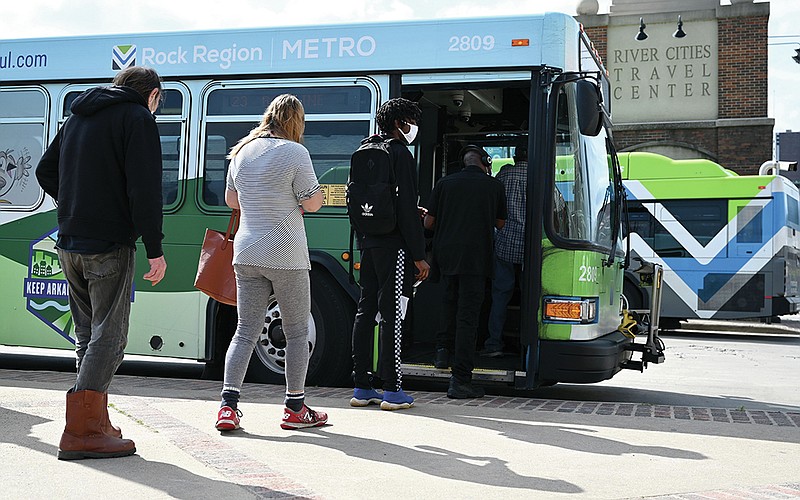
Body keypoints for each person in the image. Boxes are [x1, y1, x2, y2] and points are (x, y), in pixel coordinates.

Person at [36, 66, 167, 460]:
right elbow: (144, 187)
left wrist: (77, 204)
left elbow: (45, 171)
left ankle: (97, 421)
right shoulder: (137, 117)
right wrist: (155, 248)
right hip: (108, 244)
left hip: (70, 241)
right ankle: (81, 431)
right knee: (110, 338)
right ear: (153, 95)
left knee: (88, 337)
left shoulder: (79, 114)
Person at [215, 94, 327, 431]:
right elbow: (313, 204)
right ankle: (295, 408)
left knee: (245, 331)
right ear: (296, 121)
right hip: (286, 253)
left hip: (246, 253)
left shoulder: (241, 152)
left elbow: (232, 200)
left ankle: (228, 407)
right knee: (295, 333)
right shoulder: (296, 152)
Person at [350, 98, 430, 411]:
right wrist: (418, 254)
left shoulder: (365, 149)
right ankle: (393, 389)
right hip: (395, 245)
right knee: (392, 312)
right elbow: (407, 208)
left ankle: (361, 386)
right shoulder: (400, 154)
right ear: (399, 123)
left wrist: (365, 236)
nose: (413, 128)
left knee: (365, 309)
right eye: (411, 120)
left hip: (369, 241)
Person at [424, 145, 506, 399]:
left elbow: (429, 223)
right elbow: (500, 223)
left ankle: (441, 351)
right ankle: (460, 379)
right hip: (476, 259)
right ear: (485, 162)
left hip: (446, 256)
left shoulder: (445, 183)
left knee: (448, 304)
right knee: (467, 317)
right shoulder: (493, 186)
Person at [480, 146, 528, 358]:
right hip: (530, 249)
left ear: (516, 156)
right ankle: (528, 344)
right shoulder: (541, 175)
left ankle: (494, 343)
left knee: (500, 296)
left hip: (504, 244)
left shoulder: (505, 175)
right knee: (530, 298)